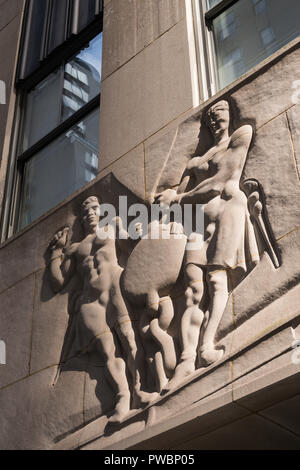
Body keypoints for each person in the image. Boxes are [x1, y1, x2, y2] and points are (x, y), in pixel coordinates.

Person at [156, 100, 260, 388]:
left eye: (220, 113)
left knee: (216, 281)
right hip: (197, 225)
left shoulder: (242, 135)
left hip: (228, 212)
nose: (215, 120)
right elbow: (173, 200)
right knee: (193, 290)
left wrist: (176, 198)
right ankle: (187, 359)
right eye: (210, 117)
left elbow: (220, 181)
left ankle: (207, 345)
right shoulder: (193, 162)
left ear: (231, 115)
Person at [48, 196, 155, 423]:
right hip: (90, 302)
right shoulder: (76, 249)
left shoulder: (112, 225)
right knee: (108, 352)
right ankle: (122, 397)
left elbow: (129, 243)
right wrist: (56, 253)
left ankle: (139, 390)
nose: (90, 214)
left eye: (94, 209)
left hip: (115, 288)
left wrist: (138, 232)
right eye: (86, 211)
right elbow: (58, 282)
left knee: (130, 340)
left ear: (102, 210)